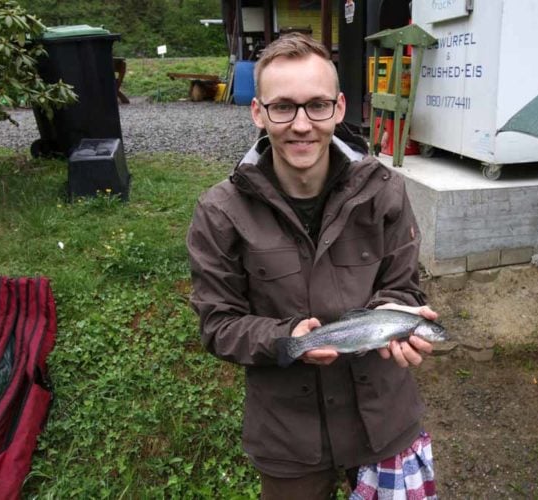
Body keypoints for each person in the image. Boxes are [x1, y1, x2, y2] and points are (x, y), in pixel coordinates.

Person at [187, 33, 438, 499]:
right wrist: (285, 339)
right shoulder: (220, 212)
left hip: (383, 423)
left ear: (339, 108)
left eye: (317, 105)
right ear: (258, 111)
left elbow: (402, 287)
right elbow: (218, 323)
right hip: (289, 438)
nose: (301, 124)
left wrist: (399, 318)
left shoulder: (384, 191)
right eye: (283, 107)